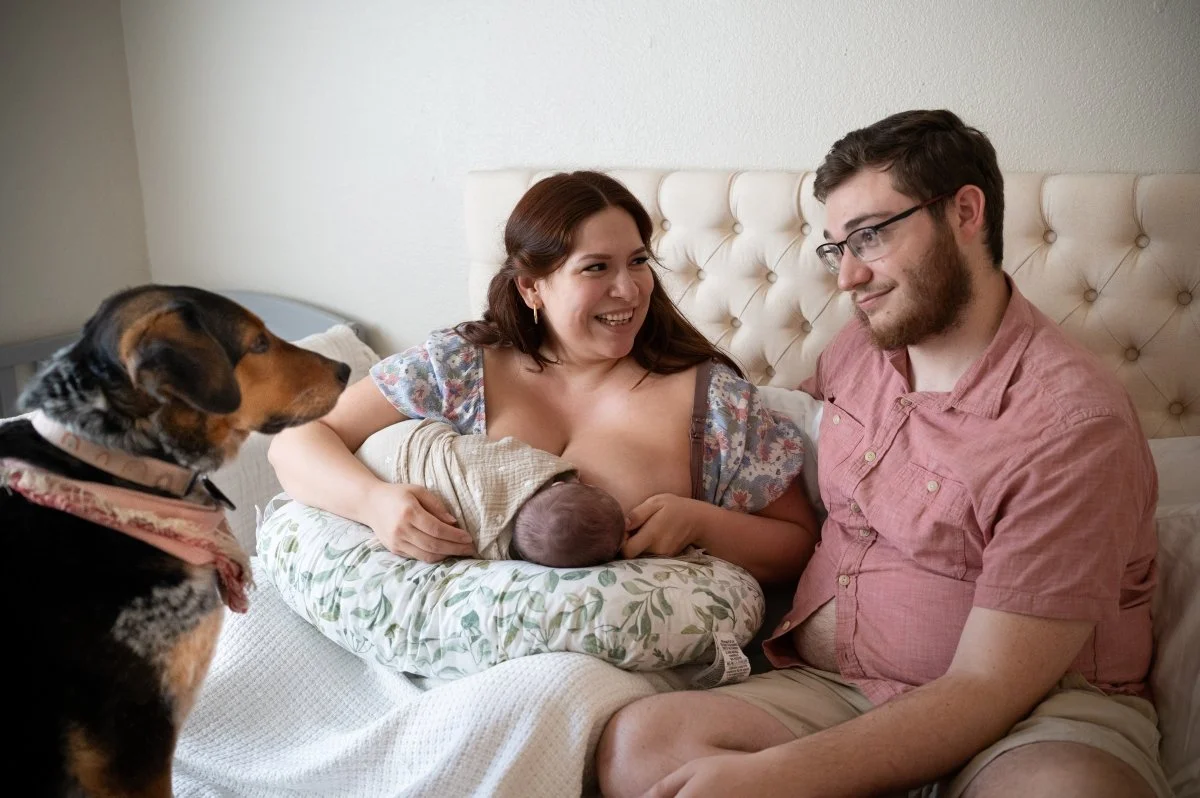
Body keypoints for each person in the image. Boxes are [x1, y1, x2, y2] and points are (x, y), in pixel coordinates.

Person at [596, 110, 1169, 798]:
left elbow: (989, 686)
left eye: (869, 237)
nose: (847, 279)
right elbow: (750, 448)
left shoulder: (1072, 424)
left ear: (965, 211)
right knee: (642, 744)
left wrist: (770, 780)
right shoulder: (859, 352)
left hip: (1033, 715)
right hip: (840, 694)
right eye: (837, 249)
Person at [269, 170, 818, 594]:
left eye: (637, 261)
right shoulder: (460, 367)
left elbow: (798, 544)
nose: (628, 289)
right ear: (533, 288)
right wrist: (375, 503)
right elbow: (297, 441)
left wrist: (702, 522)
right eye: (596, 268)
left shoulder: (713, 403)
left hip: (600, 658)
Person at [354, 417, 625, 567]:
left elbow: (505, 452)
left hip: (398, 449)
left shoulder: (532, 468)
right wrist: (371, 499)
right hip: (400, 466)